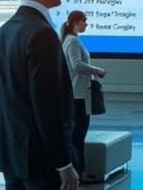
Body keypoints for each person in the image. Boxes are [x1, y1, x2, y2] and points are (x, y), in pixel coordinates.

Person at [0, 0, 78, 190]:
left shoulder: (4, 32)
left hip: (10, 153)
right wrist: (64, 163)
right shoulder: (42, 34)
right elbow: (47, 105)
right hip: (39, 160)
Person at [61, 10, 107, 184]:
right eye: (84, 21)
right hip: (78, 94)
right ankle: (81, 172)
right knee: (78, 136)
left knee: (76, 135)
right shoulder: (72, 41)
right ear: (76, 22)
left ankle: (80, 171)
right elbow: (77, 65)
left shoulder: (69, 40)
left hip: (76, 93)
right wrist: (97, 70)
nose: (86, 24)